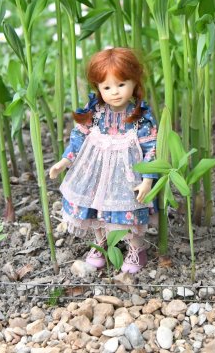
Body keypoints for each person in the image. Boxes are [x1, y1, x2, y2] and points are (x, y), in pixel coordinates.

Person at [49, 47, 158, 274]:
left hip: (127, 175)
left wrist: (147, 179)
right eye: (107, 87)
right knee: (95, 208)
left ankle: (136, 247)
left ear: (134, 83)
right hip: (96, 172)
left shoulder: (139, 117)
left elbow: (151, 148)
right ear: (98, 88)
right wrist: (64, 161)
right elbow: (79, 138)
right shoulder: (96, 112)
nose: (115, 92)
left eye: (121, 84)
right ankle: (101, 241)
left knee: (127, 211)